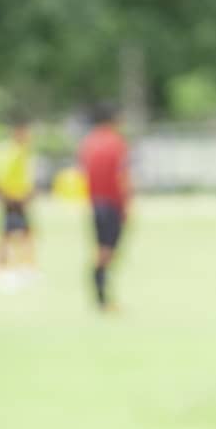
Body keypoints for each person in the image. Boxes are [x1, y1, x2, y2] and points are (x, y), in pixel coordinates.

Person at [79, 104, 130, 311]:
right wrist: (126, 204)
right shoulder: (116, 143)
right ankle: (102, 296)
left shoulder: (88, 142)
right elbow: (121, 177)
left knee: (102, 249)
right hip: (112, 203)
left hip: (95, 202)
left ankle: (102, 295)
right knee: (108, 251)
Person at [0, 119, 37, 290]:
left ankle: (24, 267)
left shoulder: (22, 150)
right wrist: (6, 196)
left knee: (25, 234)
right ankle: (0, 269)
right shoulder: (7, 151)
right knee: (6, 235)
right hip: (11, 199)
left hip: (20, 198)